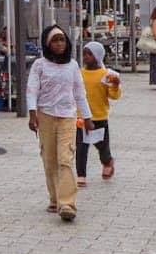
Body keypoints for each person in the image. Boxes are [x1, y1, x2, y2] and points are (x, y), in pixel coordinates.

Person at [28, 24, 92, 221]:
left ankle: (67, 203)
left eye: (62, 40)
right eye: (54, 40)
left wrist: (88, 118)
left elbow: (80, 93)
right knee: (49, 160)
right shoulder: (39, 65)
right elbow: (32, 90)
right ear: (47, 44)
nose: (59, 44)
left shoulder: (72, 65)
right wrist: (32, 115)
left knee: (65, 159)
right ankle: (55, 199)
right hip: (45, 116)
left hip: (67, 117)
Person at [77, 41, 120, 185]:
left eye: (90, 54)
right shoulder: (79, 73)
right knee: (81, 146)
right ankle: (81, 174)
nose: (86, 57)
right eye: (84, 54)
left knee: (102, 145)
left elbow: (114, 96)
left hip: (99, 116)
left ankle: (107, 161)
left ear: (98, 55)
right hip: (81, 117)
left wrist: (115, 85)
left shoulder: (106, 74)